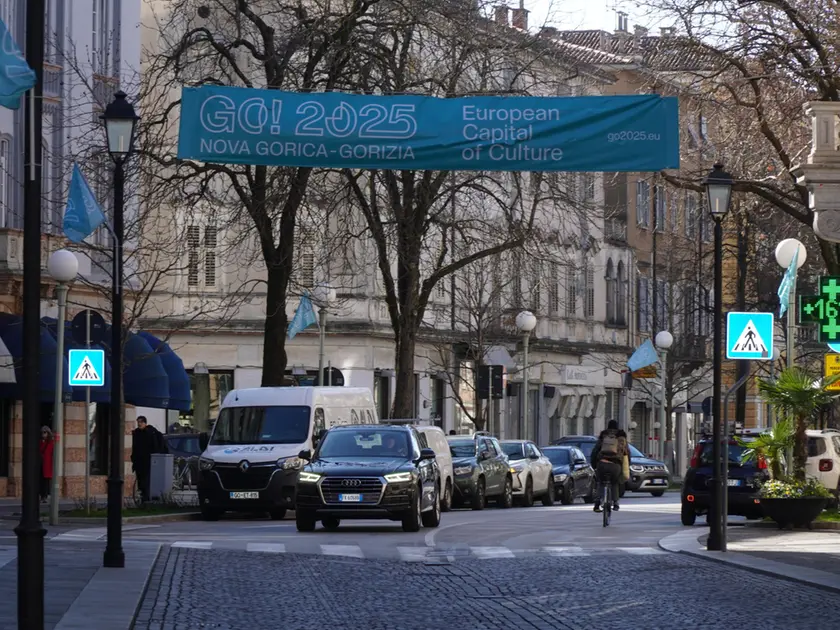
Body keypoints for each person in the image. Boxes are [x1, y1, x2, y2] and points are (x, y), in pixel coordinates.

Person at [590, 420, 628, 513]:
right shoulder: (621, 437)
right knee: (614, 482)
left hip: (602, 464)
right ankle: (615, 503)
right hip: (615, 465)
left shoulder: (603, 436)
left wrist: (594, 465)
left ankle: (597, 504)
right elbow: (627, 454)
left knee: (601, 483)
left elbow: (595, 452)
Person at [131, 416, 167, 502]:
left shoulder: (150, 432)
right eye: (138, 422)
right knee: (140, 478)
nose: (139, 424)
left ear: (145, 423)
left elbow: (154, 446)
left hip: (147, 459)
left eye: (141, 422)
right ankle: (143, 495)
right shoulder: (136, 433)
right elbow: (135, 446)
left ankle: (146, 497)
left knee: (146, 479)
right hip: (139, 460)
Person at [39, 426, 55, 503]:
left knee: (46, 481)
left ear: (48, 433)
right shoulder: (40, 442)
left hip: (47, 464)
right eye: (42, 432)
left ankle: (45, 496)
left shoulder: (51, 442)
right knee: (40, 480)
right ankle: (42, 496)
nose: (43, 434)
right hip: (40, 463)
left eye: (45, 432)